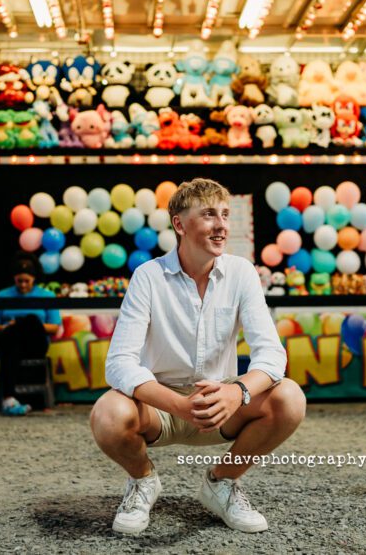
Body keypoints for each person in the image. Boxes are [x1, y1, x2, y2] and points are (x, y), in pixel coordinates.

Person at [91, 178, 305, 535]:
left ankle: (221, 482)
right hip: (160, 406)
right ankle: (143, 481)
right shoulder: (148, 276)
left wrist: (237, 391)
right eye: (208, 214)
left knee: (290, 398)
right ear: (179, 224)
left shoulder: (241, 272)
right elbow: (119, 364)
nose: (222, 225)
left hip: (221, 403)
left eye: (225, 214)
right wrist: (178, 405)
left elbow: (271, 354)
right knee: (108, 413)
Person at [0, 252, 61, 415]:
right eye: (19, 281)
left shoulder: (47, 296)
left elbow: (54, 328)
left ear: (34, 278)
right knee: (11, 346)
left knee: (31, 319)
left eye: (27, 281)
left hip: (36, 345)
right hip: (10, 342)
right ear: (14, 278)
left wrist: (20, 324)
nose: (23, 285)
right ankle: (9, 401)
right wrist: (8, 327)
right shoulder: (2, 295)